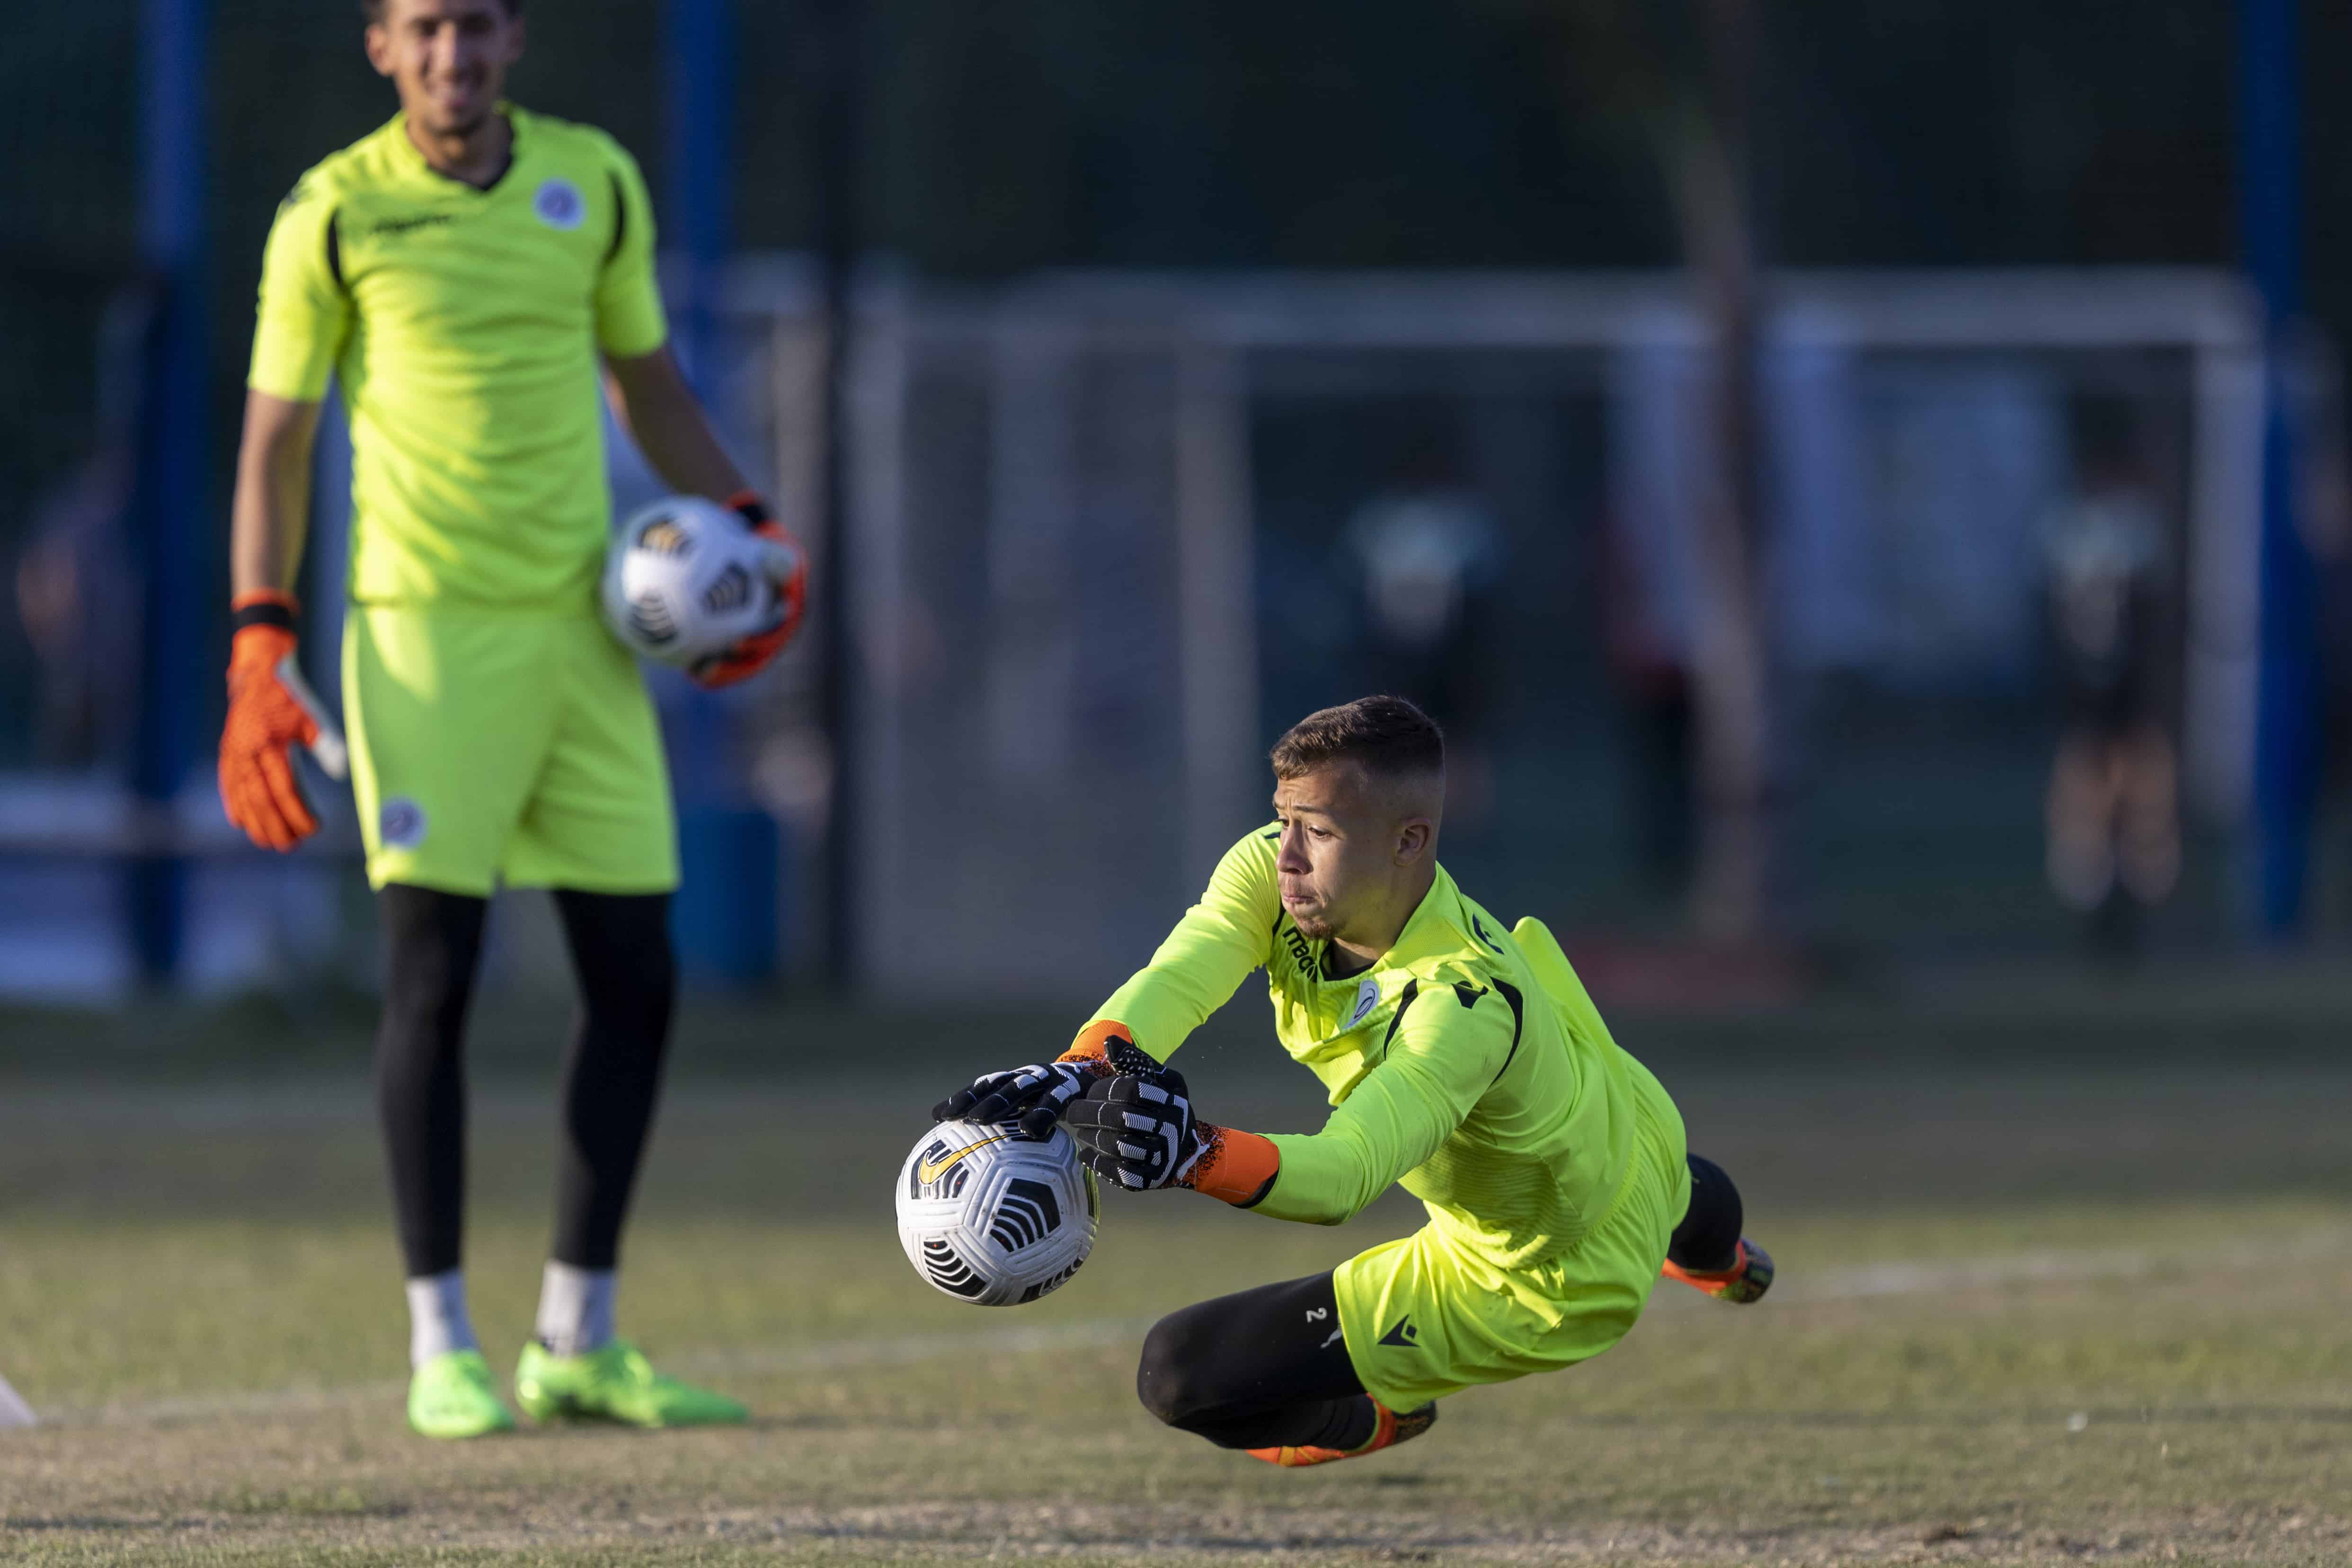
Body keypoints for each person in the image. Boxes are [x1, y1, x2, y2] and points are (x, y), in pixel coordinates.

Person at [217, 0, 805, 1439]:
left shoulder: (592, 181)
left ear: (514, 40)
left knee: (637, 977)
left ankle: (577, 1337)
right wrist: (256, 644)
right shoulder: (333, 214)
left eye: (476, 27)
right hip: (421, 640)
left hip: (583, 634)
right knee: (435, 976)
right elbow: (274, 446)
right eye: (424, 29)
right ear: (380, 47)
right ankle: (439, 1344)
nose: (453, 55)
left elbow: (646, 383)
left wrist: (748, 527)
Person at [934, 696, 1769, 1466]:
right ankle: (1723, 1260)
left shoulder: (1459, 1008)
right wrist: (1081, 1063)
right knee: (1689, 1194)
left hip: (1536, 1272)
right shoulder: (1276, 872)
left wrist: (1193, 1152)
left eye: (1319, 832)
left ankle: (1381, 1413)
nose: (1286, 857)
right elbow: (1184, 969)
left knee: (1180, 1375)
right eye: (1282, 819)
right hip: (1619, 1103)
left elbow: (1346, 1173)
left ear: (1409, 840)